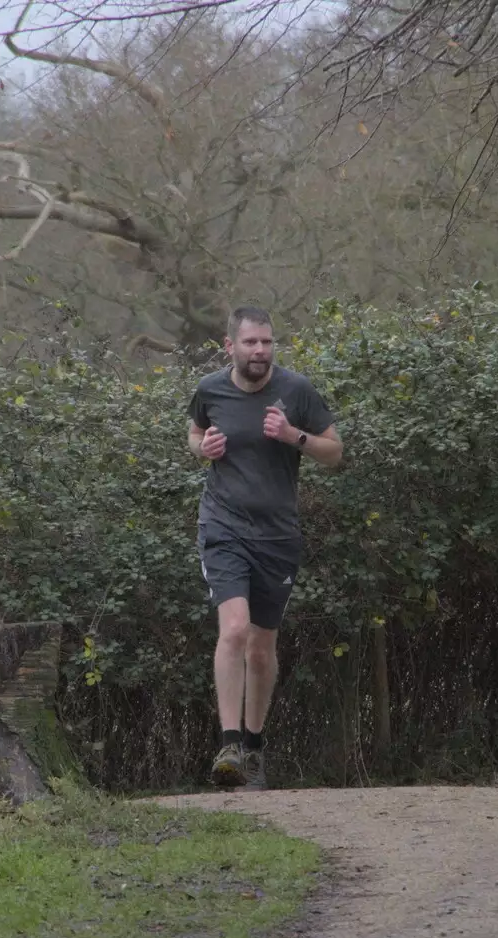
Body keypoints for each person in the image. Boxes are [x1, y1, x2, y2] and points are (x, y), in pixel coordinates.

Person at [186, 306, 343, 791]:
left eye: (267, 343)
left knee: (261, 646)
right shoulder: (210, 389)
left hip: (277, 535)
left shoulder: (296, 391)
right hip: (223, 527)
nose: (260, 351)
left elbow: (335, 453)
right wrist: (202, 449)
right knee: (233, 629)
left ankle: (253, 747)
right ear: (229, 346)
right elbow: (194, 431)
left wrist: (294, 436)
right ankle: (228, 743)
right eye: (251, 343)